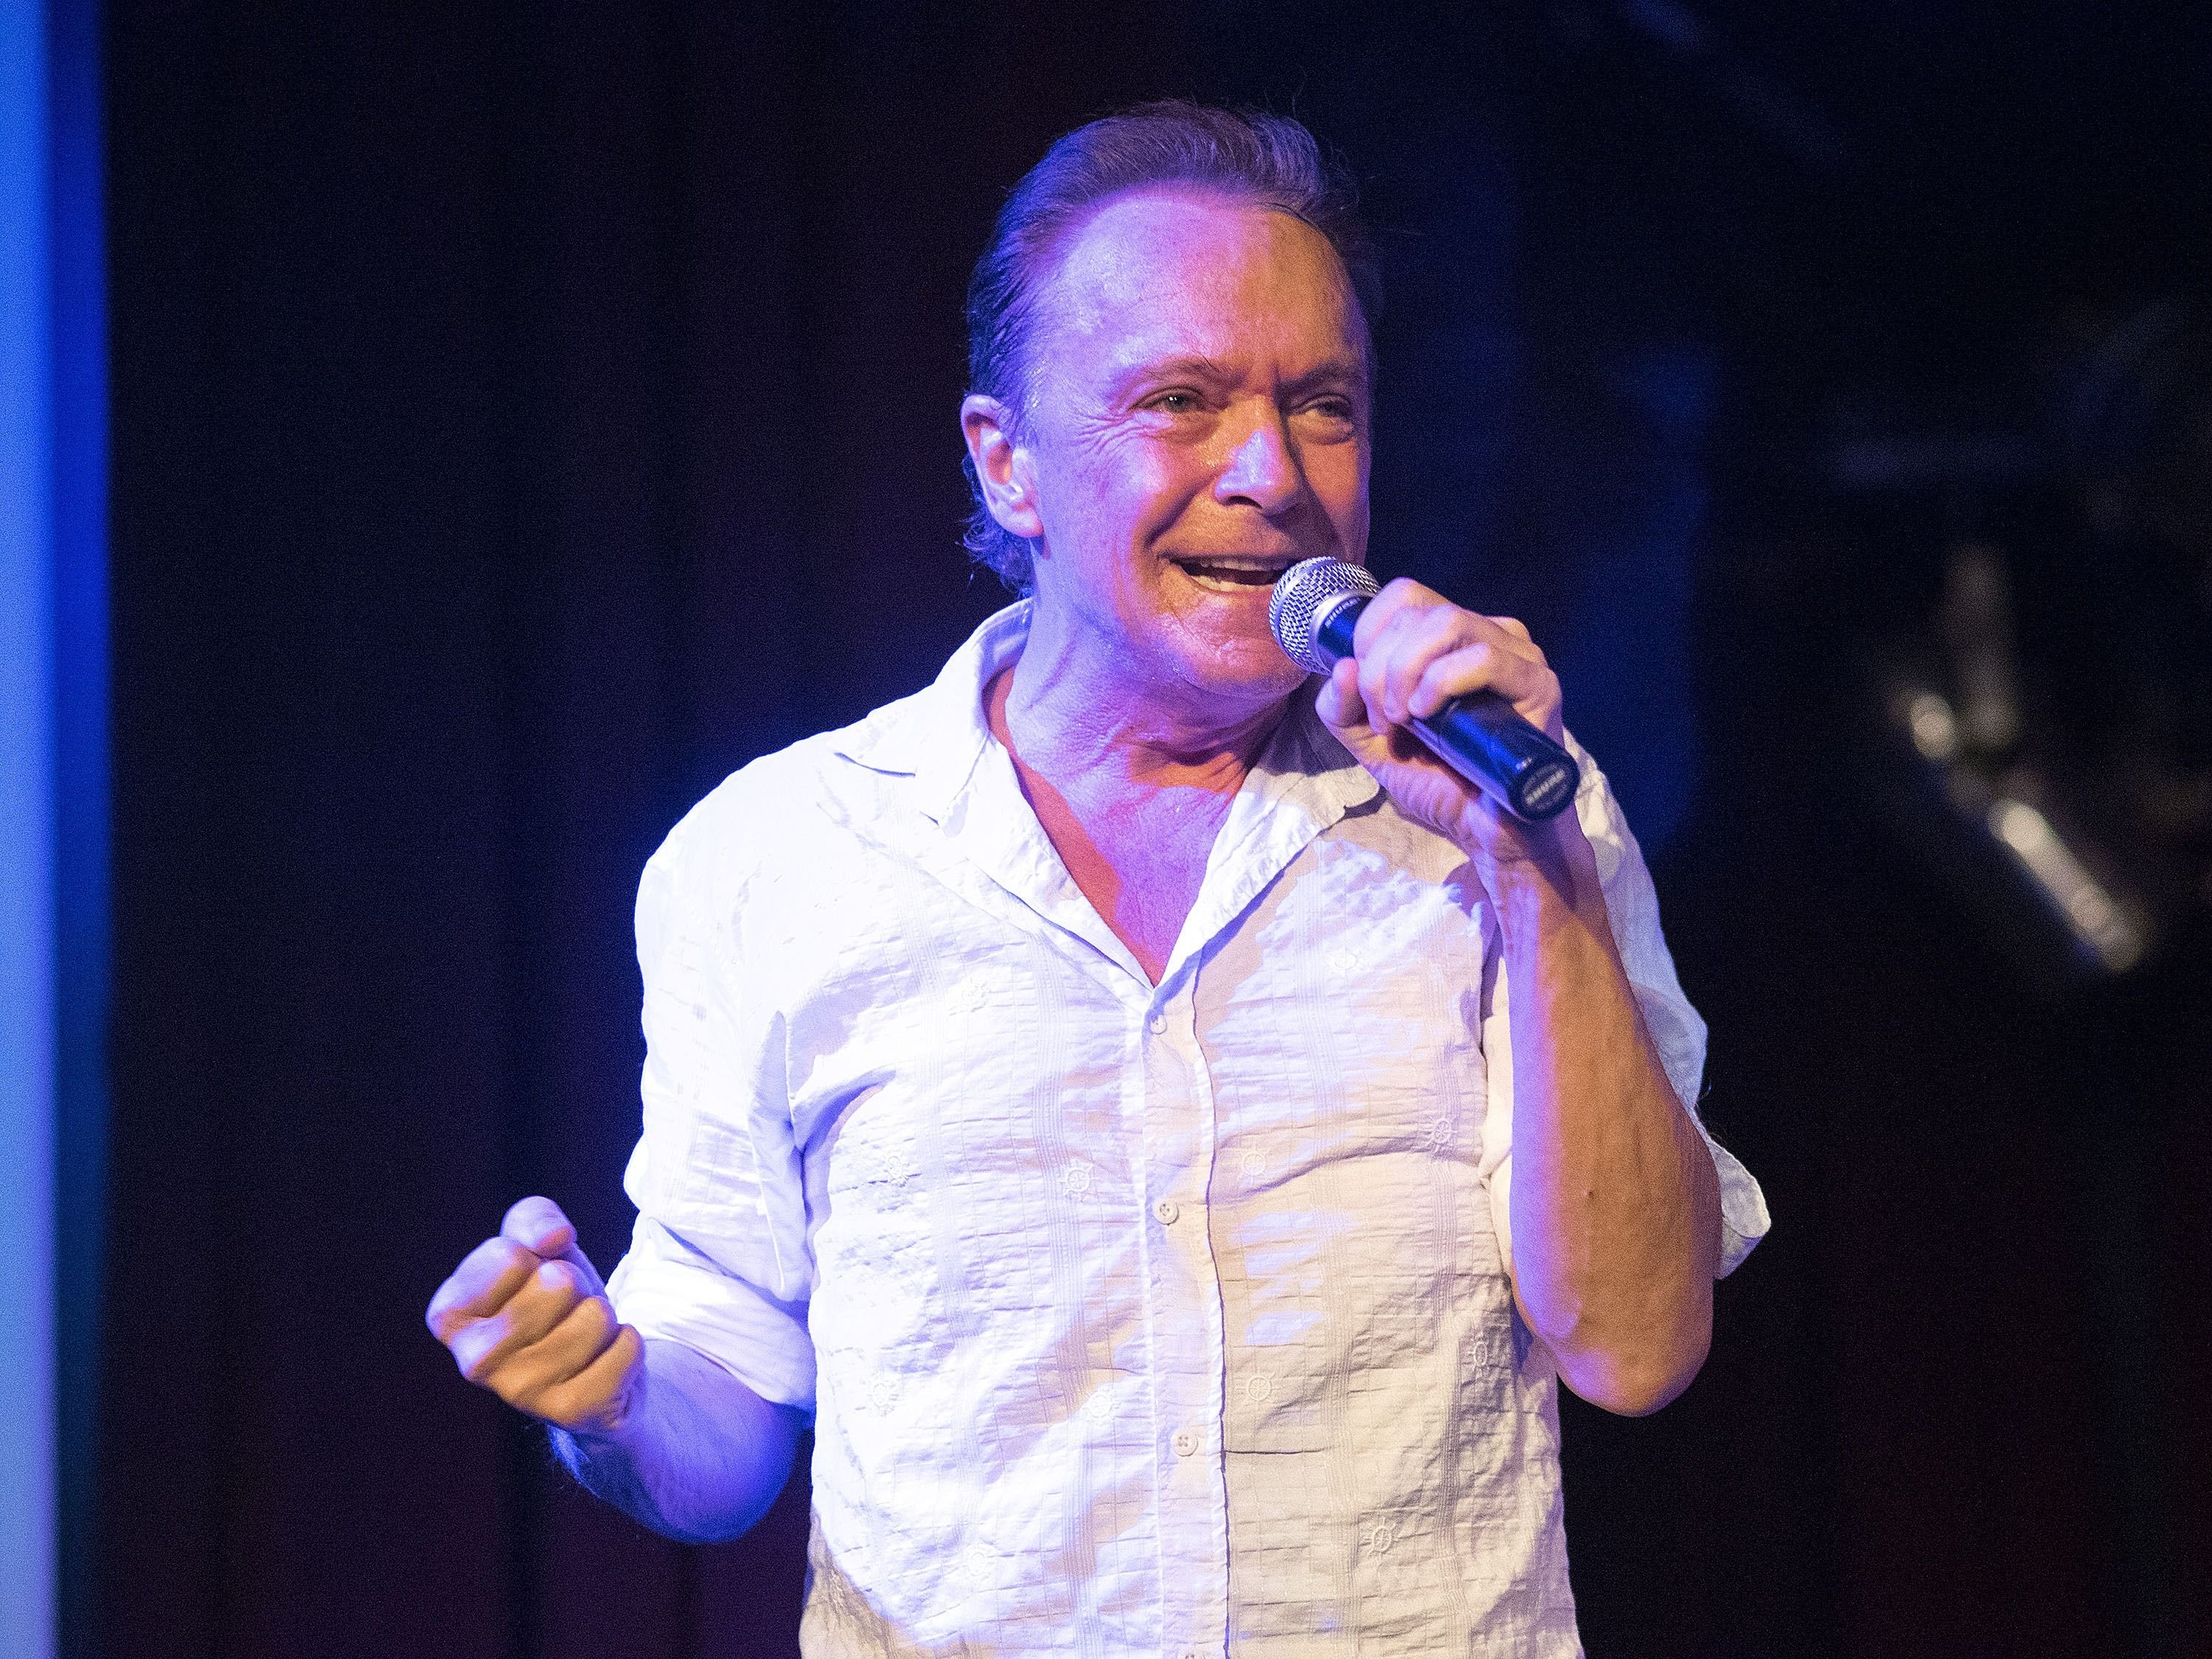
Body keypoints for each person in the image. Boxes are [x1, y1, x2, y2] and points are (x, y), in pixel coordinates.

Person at [425, 102, 1767, 1655]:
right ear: (1011, 467)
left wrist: (1534, 879)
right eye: (1180, 401)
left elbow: (1636, 1344)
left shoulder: (1509, 808)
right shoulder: (778, 855)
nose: (1270, 471)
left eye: (1324, 405)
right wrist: (610, 1397)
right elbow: (720, 1430)